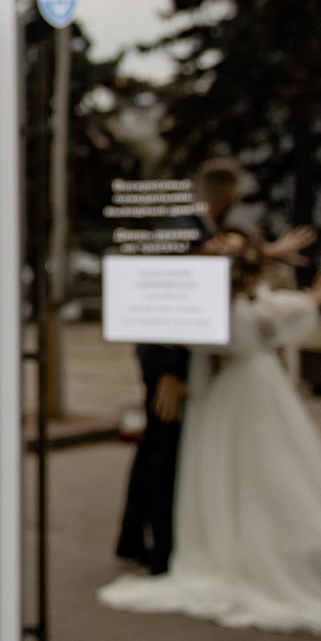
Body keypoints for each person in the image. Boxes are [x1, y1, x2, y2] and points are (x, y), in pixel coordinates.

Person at [98, 235, 321, 635]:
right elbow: (274, 318)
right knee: (268, 468)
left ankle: (223, 545)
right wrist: (307, 299)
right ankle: (265, 546)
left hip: (229, 394)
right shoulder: (243, 308)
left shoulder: (223, 309)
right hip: (251, 389)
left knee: (241, 471)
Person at [113, 157, 239, 575]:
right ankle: (160, 546)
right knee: (164, 449)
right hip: (166, 356)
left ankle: (135, 536)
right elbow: (165, 287)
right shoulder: (185, 228)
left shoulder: (194, 227)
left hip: (166, 354)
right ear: (229, 195)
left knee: (155, 443)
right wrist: (168, 368)